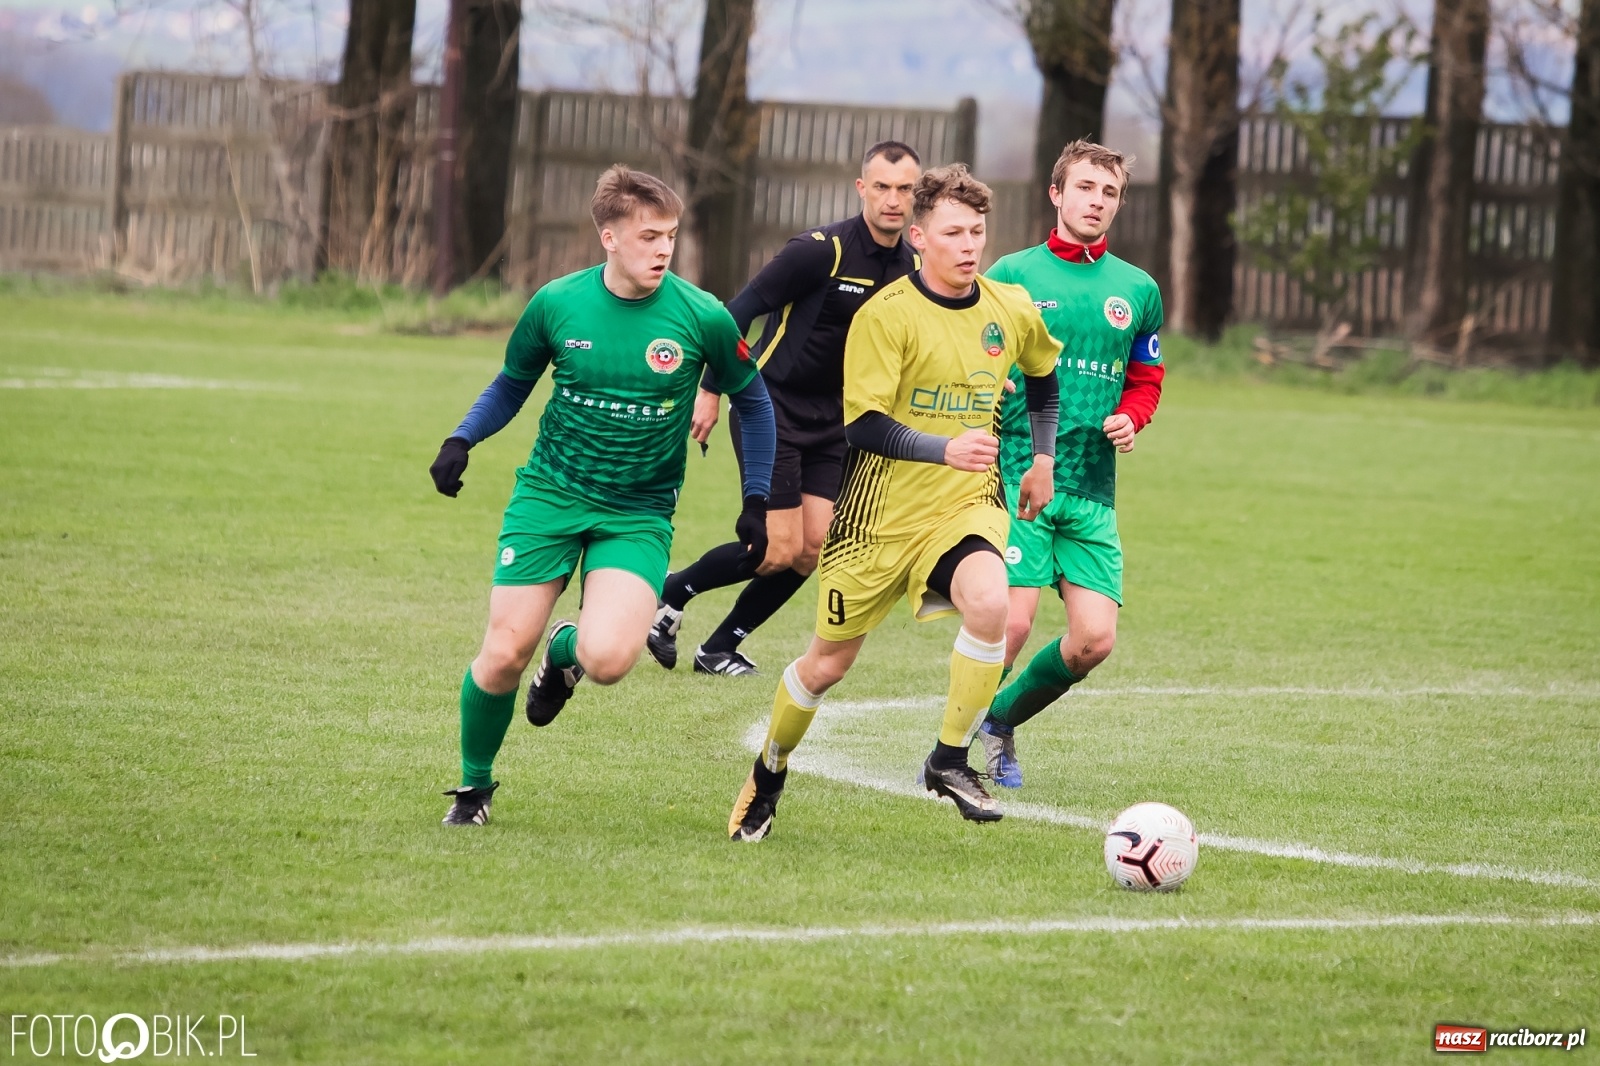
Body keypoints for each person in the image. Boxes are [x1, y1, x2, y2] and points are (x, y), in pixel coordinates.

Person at [427, 165, 777, 827]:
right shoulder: (557, 305)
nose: (663, 249)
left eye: (670, 236)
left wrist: (754, 498)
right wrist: (462, 438)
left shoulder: (701, 315)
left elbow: (754, 404)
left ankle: (567, 651)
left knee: (609, 660)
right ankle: (474, 791)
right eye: (649, 236)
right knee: (503, 653)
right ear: (608, 237)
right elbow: (511, 384)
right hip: (550, 496)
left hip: (637, 513)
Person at [726, 164, 1064, 842]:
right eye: (953, 232)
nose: (968, 245)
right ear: (919, 237)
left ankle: (948, 758)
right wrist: (944, 447)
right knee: (827, 665)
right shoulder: (886, 316)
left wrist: (1044, 459)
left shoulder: (1010, 309)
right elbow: (863, 426)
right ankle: (769, 772)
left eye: (977, 231)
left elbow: (1044, 381)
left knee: (992, 600)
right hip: (874, 522)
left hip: (965, 507)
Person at [646, 141, 923, 677]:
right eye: (883, 187)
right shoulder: (820, 251)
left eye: (905, 189)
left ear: (916, 195)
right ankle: (672, 592)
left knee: (812, 548)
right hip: (770, 410)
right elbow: (734, 314)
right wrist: (710, 388)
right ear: (862, 188)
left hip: (837, 424)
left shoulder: (912, 268)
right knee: (774, 548)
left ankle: (718, 647)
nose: (893, 200)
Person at [976, 140, 1165, 789]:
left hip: (1092, 488)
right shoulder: (1012, 274)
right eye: (1085, 188)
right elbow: (981, 355)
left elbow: (1146, 376)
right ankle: (951, 747)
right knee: (1014, 620)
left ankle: (995, 722)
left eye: (1109, 192)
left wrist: (1132, 417)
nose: (1097, 202)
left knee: (1093, 641)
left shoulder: (1137, 290)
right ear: (1057, 194)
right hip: (1020, 473)